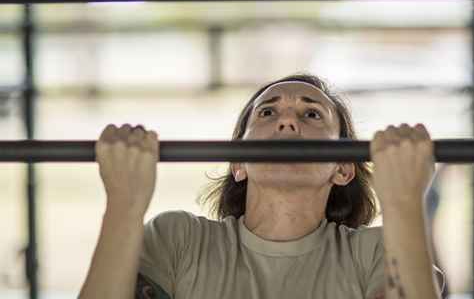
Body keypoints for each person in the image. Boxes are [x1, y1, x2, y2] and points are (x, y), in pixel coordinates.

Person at [78, 73, 444, 299]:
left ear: (343, 169)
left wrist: (405, 203)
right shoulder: (177, 239)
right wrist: (124, 203)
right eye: (267, 112)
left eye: (311, 114)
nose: (286, 122)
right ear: (238, 162)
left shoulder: (374, 253)